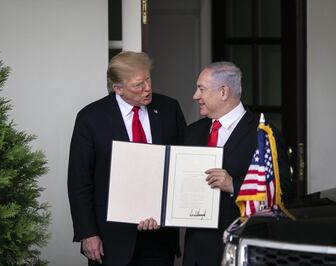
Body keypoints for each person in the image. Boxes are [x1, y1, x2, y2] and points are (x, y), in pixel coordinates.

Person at [68, 51, 186, 266]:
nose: (148, 88)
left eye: (149, 79)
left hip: (159, 237)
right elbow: (79, 181)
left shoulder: (169, 108)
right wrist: (88, 233)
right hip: (111, 238)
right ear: (118, 88)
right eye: (138, 84)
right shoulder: (91, 118)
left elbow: (182, 164)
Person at [182, 61, 293, 266]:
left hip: (240, 249)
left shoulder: (264, 134)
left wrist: (233, 185)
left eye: (201, 89)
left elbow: (283, 190)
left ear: (223, 91)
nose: (195, 96)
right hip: (196, 250)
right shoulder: (193, 131)